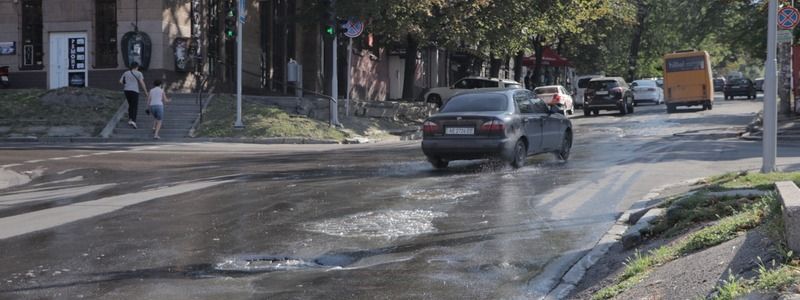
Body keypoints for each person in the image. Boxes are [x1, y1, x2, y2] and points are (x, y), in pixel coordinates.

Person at [119, 62, 148, 129]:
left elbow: (120, 81)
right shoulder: (139, 73)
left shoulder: (126, 73)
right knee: (134, 106)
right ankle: (133, 121)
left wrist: (127, 83)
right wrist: (146, 92)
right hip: (134, 91)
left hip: (126, 90)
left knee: (130, 104)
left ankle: (130, 119)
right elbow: (142, 83)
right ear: (136, 67)